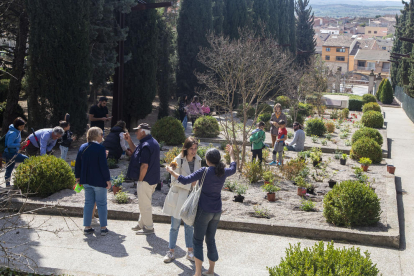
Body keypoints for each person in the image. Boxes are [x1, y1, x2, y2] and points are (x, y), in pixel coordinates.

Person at [166, 146, 236, 276]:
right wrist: (231, 154)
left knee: (197, 241)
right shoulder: (223, 171)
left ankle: (197, 273)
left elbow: (185, 179)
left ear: (207, 160)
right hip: (217, 211)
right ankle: (211, 270)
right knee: (211, 239)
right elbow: (233, 168)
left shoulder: (204, 171)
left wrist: (171, 171)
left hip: (204, 210)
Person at [162, 137, 201, 263]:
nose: (194, 151)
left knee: (189, 225)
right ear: (186, 148)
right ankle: (171, 251)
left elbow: (199, 179)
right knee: (175, 226)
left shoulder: (198, 161)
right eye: (191, 148)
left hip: (191, 198)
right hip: (179, 197)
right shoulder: (177, 160)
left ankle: (190, 252)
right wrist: (190, 184)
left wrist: (197, 186)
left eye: (195, 148)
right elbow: (173, 180)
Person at [124, 123, 160, 235]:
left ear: (143, 132)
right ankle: (141, 224)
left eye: (137, 131)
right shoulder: (150, 142)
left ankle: (149, 228)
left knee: (144, 205)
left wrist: (140, 180)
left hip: (145, 180)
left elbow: (144, 166)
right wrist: (129, 141)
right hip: (152, 179)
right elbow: (136, 151)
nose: (135, 133)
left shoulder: (146, 145)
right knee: (145, 202)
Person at [75, 127, 111, 236]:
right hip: (98, 180)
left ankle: (87, 227)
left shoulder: (83, 147)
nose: (102, 136)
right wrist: (108, 180)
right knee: (101, 204)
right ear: (97, 135)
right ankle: (103, 228)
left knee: (88, 203)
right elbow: (103, 166)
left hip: (86, 180)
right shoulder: (100, 148)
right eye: (101, 134)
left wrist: (77, 177)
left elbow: (78, 164)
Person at [4, 117, 28, 188]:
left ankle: (7, 185)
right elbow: (9, 144)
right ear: (17, 126)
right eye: (21, 126)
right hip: (11, 153)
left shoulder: (16, 131)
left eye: (24, 126)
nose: (23, 128)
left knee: (9, 168)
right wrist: (20, 144)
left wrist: (20, 146)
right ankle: (23, 179)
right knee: (27, 159)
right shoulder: (14, 133)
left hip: (9, 152)